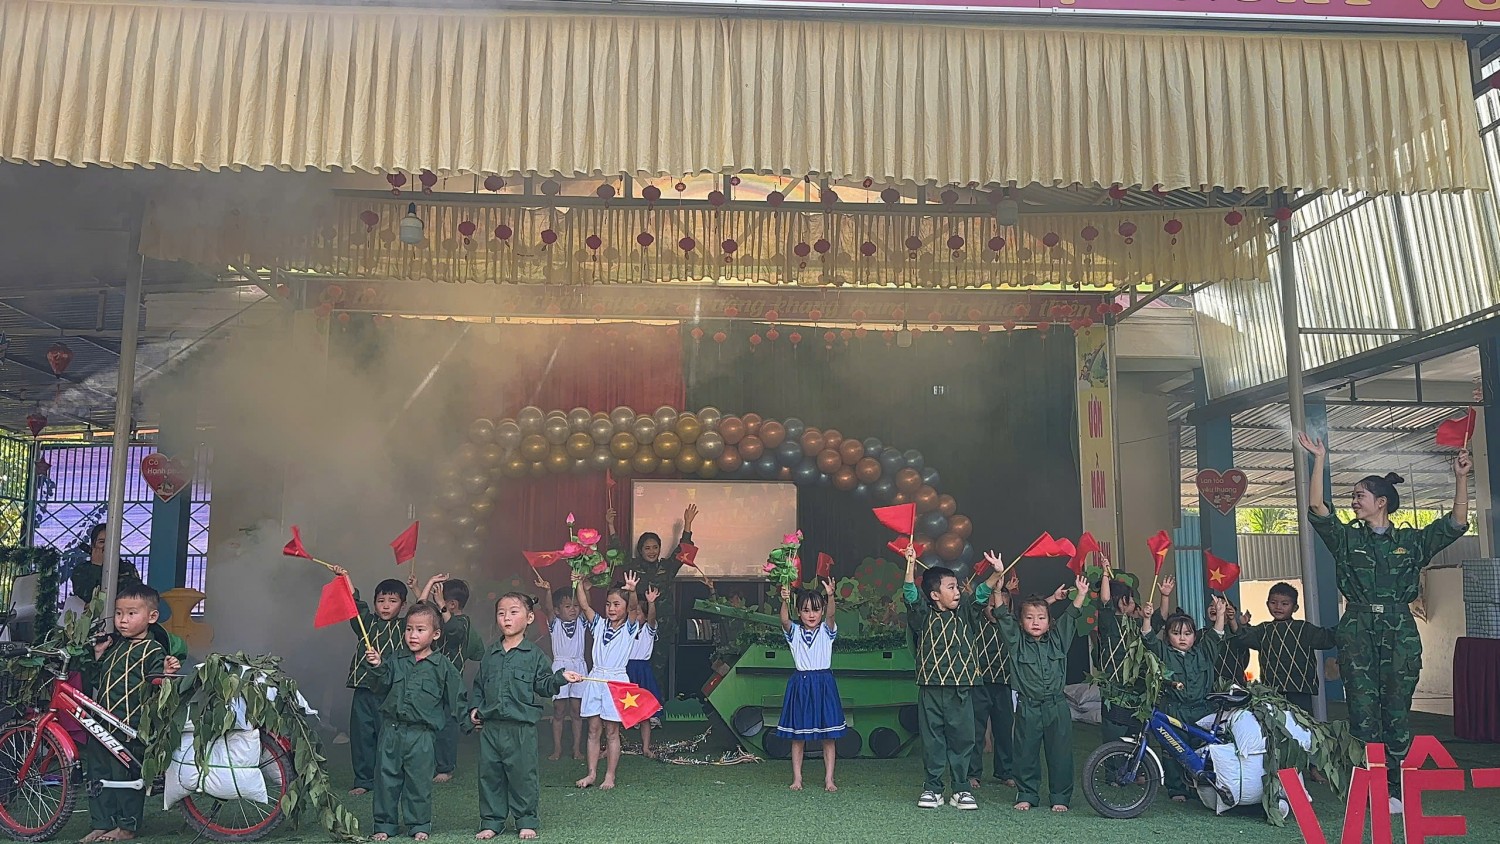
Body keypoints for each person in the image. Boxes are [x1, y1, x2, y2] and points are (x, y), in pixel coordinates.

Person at [1299, 433, 1470, 810]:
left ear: (1381, 502)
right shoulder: (1346, 539)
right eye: (1352, 496)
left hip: (1399, 631)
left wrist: (1461, 478)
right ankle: (1370, 787)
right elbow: (1316, 507)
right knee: (1362, 715)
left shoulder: (1411, 541)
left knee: (1396, 713)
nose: (1353, 501)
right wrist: (1319, 459)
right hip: (1358, 629)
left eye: (1359, 495)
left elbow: (1456, 523)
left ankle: (1395, 788)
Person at [468, 593, 584, 841]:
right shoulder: (491, 654)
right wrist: (475, 708)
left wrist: (561, 678)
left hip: (521, 728)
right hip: (492, 728)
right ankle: (492, 821)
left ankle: (526, 820)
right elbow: (479, 685)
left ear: (529, 618)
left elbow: (544, 685)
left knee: (523, 776)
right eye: (501, 613)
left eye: (513, 612)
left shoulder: (535, 655)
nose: (506, 618)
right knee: (490, 776)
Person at [78, 582, 180, 843]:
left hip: (130, 726)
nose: (123, 620)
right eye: (119, 613)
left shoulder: (153, 650)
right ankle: (101, 823)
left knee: (125, 777)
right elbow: (100, 680)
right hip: (102, 723)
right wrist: (99, 655)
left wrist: (167, 672)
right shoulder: (115, 646)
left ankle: (127, 827)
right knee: (98, 774)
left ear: (152, 617)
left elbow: (159, 685)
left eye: (131, 613)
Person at [901, 544, 998, 811]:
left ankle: (961, 789)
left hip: (961, 687)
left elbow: (981, 594)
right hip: (931, 687)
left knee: (963, 738)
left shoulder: (966, 613)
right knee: (932, 739)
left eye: (957, 587)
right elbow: (910, 594)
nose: (957, 592)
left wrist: (995, 573)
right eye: (951, 587)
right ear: (934, 595)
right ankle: (933, 788)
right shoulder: (923, 616)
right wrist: (910, 565)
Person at [362, 602, 462, 841]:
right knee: (386, 780)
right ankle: (385, 825)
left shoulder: (442, 667)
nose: (413, 635)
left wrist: (472, 720)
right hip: (391, 730)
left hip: (422, 735)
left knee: (419, 782)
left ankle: (419, 824)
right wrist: (377, 666)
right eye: (409, 629)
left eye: (420, 630)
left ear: (435, 634)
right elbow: (380, 687)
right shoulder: (395, 660)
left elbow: (458, 698)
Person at [991, 571, 1089, 812]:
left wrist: (1081, 594)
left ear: (1049, 621)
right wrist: (997, 590)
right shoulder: (1016, 642)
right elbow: (1002, 616)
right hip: (1028, 706)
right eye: (1029, 618)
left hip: (1056, 706)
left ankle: (1060, 797)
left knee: (1060, 754)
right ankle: (1027, 794)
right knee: (1025, 753)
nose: (1035, 622)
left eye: (1041, 618)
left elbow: (1071, 616)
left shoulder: (1058, 639)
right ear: (1021, 622)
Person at [609, 503, 699, 701]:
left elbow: (683, 550)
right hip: (637, 629)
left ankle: (656, 707)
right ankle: (632, 707)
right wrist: (611, 525)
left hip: (662, 627)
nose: (652, 551)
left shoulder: (667, 567)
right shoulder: (632, 566)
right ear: (640, 550)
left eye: (655, 547)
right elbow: (617, 551)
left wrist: (688, 524)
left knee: (657, 669)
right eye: (647, 548)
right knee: (634, 667)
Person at [333, 567, 408, 796]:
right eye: (381, 601)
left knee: (390, 736)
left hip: (389, 689)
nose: (385, 606)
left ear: (403, 605)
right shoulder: (366, 623)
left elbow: (425, 612)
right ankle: (363, 780)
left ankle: (392, 777)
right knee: (362, 736)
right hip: (364, 688)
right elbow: (354, 605)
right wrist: (346, 578)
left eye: (392, 601)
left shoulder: (405, 627)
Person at [575, 571, 653, 790]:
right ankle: (591, 773)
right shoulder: (599, 625)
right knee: (593, 729)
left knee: (611, 731)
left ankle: (610, 776)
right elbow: (584, 606)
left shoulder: (630, 627)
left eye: (617, 604)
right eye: (608, 604)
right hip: (595, 677)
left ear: (625, 607)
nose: (611, 608)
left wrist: (632, 591)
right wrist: (578, 583)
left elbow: (634, 608)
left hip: (616, 680)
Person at [1147, 596, 1229, 802]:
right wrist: (1147, 619)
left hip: (1202, 711)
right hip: (1174, 709)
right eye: (1176, 633)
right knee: (1173, 749)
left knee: (1202, 749)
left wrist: (1220, 614)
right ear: (1167, 636)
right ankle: (1176, 789)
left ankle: (1200, 787)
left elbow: (1216, 635)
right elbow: (1148, 639)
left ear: (1195, 635)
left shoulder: (1203, 653)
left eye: (1187, 633)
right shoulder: (1164, 653)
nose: (1182, 638)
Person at [775, 578, 845, 792]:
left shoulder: (827, 630)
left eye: (816, 610)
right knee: (798, 736)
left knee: (828, 736)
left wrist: (830, 596)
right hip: (801, 684)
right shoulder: (794, 632)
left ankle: (829, 779)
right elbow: (784, 620)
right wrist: (784, 600)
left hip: (824, 683)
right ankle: (797, 778)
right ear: (799, 612)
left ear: (822, 611)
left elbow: (831, 616)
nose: (811, 615)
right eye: (806, 610)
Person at [417, 574, 484, 784]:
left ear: (452, 604)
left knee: (446, 726)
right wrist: (424, 585)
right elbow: (420, 610)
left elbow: (454, 631)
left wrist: (441, 605)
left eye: (440, 598)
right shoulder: (439, 617)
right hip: (431, 679)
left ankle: (445, 767)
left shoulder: (462, 622)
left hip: (450, 683)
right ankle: (427, 763)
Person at [1233, 582, 1337, 714]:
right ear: (1267, 604)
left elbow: (1327, 638)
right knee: (1276, 722)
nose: (1278, 607)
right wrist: (1235, 621)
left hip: (1300, 689)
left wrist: (1351, 621)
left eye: (1284, 604)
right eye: (1273, 603)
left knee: (1301, 722)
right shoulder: (1263, 630)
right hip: (1272, 690)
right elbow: (1243, 637)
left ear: (1295, 608)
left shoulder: (1304, 629)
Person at [969, 568, 1019, 789]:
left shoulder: (1011, 626)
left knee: (1004, 730)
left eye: (1000, 607)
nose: (995, 610)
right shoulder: (976, 623)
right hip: (979, 683)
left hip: (1004, 684)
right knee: (976, 731)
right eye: (991, 606)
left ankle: (1005, 771)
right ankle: (972, 773)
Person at [1095, 562, 1150, 744]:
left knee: (1136, 737)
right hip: (1114, 687)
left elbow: (1159, 620)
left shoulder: (1136, 625)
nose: (1133, 602)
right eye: (1129, 598)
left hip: (1136, 688)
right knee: (1114, 736)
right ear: (1118, 600)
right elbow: (1104, 601)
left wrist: (1164, 596)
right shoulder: (1109, 622)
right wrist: (1105, 574)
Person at [535, 579, 586, 761]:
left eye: (575, 606)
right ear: (558, 610)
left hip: (579, 666)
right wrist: (548, 590)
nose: (573, 609)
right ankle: (557, 749)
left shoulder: (581, 622)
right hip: (560, 667)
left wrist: (582, 586)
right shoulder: (554, 623)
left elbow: (586, 605)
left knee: (576, 710)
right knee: (559, 710)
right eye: (567, 606)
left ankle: (576, 749)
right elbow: (548, 608)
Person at [624, 586, 662, 758]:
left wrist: (651, 603)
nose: (635, 615)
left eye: (639, 613)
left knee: (645, 712)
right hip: (625, 670)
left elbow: (652, 618)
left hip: (642, 670)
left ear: (645, 616)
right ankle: (610, 745)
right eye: (632, 612)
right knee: (617, 709)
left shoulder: (648, 629)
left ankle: (646, 747)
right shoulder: (624, 629)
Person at [68, 524, 141, 606]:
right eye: (102, 542)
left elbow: (135, 595)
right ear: (93, 545)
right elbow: (86, 596)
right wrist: (96, 566)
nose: (106, 546)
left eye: (110, 542)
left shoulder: (127, 568)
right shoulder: (81, 570)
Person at [1205, 598, 1251, 684]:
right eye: (1211, 605)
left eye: (1219, 605)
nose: (1214, 608)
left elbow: (1245, 659)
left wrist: (1234, 620)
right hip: (1210, 686)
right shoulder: (1202, 635)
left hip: (1236, 685)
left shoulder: (1236, 635)